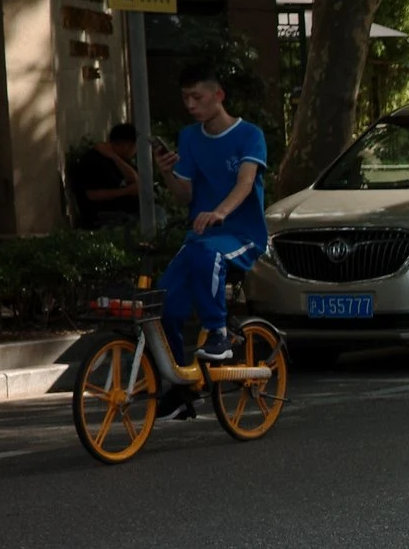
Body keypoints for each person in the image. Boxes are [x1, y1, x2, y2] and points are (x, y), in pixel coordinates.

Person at [151, 66, 269, 365]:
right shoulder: (189, 137)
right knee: (163, 304)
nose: (190, 105)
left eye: (197, 97)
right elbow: (184, 196)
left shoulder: (249, 134)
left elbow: (245, 184)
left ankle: (219, 333)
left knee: (208, 255)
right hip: (201, 238)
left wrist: (219, 212)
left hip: (242, 236)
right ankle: (179, 387)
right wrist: (166, 173)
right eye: (185, 98)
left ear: (218, 95)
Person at [71, 123, 144, 226]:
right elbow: (91, 195)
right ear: (126, 145)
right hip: (104, 216)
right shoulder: (94, 161)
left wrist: (114, 157)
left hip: (127, 212)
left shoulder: (120, 160)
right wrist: (126, 191)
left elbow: (135, 180)